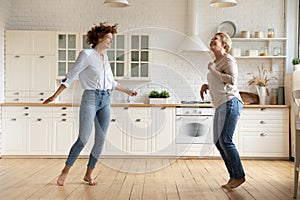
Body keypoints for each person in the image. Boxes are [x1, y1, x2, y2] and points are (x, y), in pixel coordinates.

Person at [43, 22, 137, 186]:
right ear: (99, 38)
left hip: (105, 99)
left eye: (111, 39)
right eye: (108, 38)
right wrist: (55, 95)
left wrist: (128, 91)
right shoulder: (86, 54)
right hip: (91, 99)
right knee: (83, 138)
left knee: (100, 140)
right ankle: (65, 171)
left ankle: (88, 174)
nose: (110, 41)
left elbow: (111, 82)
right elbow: (71, 76)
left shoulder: (105, 58)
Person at [200, 32, 245, 189]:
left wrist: (213, 71)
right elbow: (219, 80)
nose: (212, 40)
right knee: (219, 141)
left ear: (224, 45)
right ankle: (234, 176)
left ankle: (238, 175)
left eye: (216, 39)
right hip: (221, 104)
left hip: (230, 102)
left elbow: (232, 80)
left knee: (225, 140)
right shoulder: (216, 62)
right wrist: (207, 85)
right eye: (212, 38)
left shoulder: (228, 59)